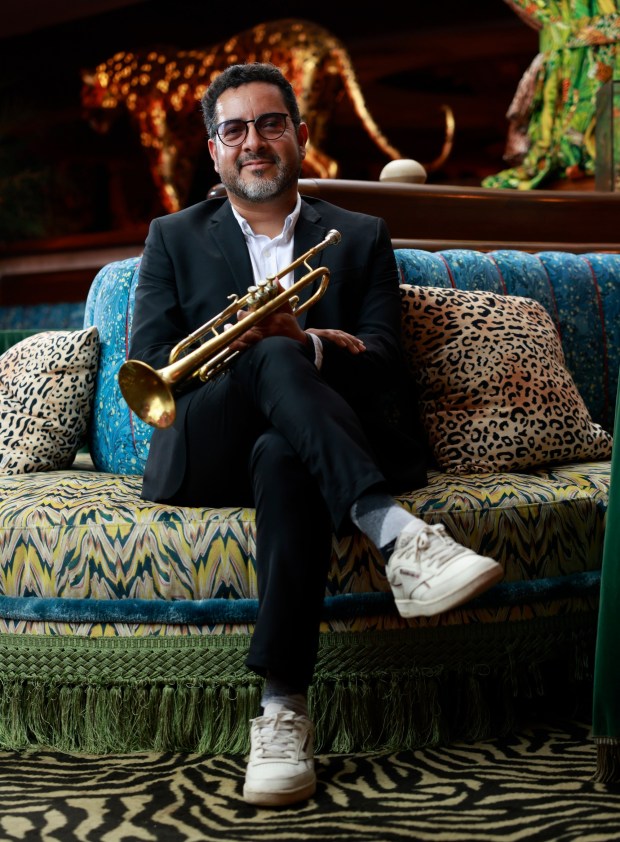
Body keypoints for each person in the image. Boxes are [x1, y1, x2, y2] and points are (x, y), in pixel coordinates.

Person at [128, 61, 503, 808]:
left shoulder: (360, 235)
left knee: (284, 447)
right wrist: (261, 347)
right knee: (267, 350)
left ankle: (281, 712)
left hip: (305, 449)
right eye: (233, 129)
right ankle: (397, 534)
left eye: (270, 124)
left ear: (301, 136)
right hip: (206, 445)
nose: (253, 142)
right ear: (214, 150)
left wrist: (311, 345)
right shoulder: (171, 236)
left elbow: (388, 365)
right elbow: (152, 359)